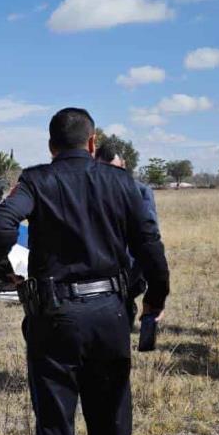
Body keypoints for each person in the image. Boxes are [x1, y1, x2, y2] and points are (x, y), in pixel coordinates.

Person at [0, 108, 170, 435]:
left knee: (56, 422)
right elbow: (150, 245)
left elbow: (0, 224)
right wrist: (155, 301)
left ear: (51, 146)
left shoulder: (35, 181)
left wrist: (1, 267)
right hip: (111, 313)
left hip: (57, 316)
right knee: (112, 414)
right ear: (93, 142)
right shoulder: (123, 183)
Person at [96, 141, 160, 332]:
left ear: (124, 166)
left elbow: (149, 236)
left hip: (129, 268)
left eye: (115, 169)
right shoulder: (87, 192)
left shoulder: (141, 192)